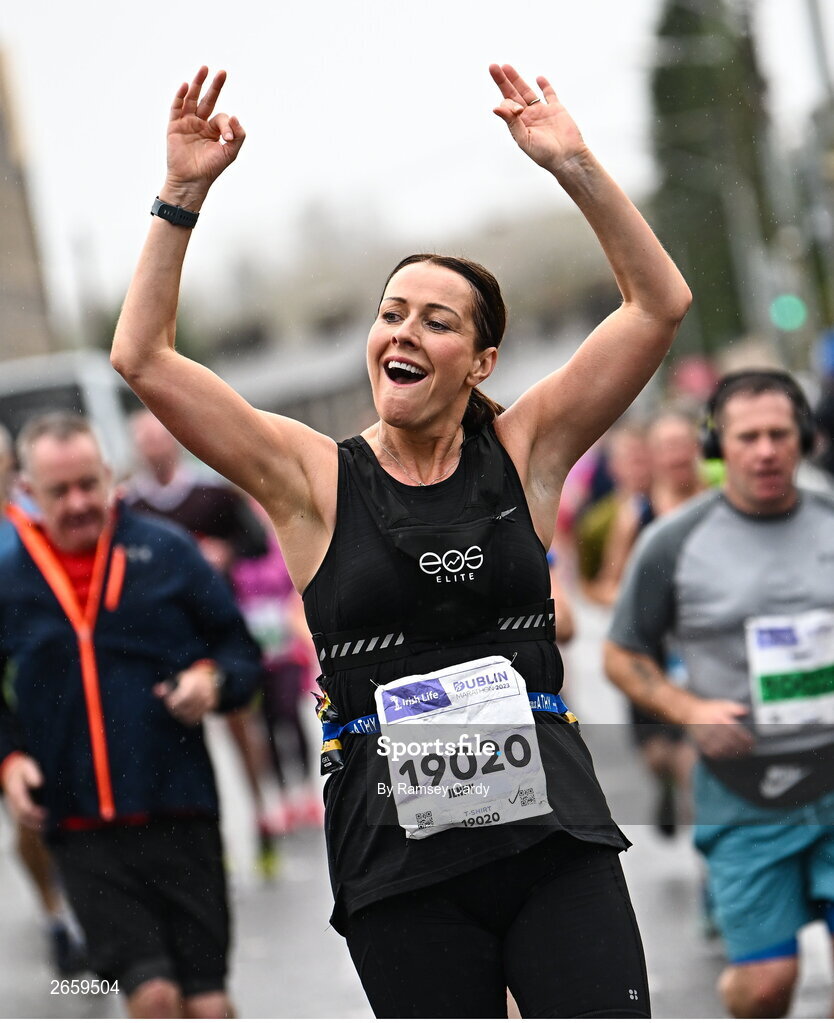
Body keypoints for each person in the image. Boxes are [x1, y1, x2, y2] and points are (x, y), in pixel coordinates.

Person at [110, 63, 691, 1018]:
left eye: (436, 320)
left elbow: (656, 305)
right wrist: (179, 196)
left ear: (481, 361)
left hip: (553, 835)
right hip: (399, 860)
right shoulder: (313, 478)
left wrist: (574, 164)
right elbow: (144, 358)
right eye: (390, 314)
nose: (402, 333)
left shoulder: (525, 449)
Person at [0, 412, 262, 1018]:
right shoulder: (11, 582)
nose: (77, 503)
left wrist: (211, 680)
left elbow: (240, 651)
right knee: (154, 996)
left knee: (210, 1003)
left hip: (181, 810)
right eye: (58, 492)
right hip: (81, 828)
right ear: (29, 494)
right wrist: (10, 762)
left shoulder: (166, 552)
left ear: (111, 476)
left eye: (88, 484)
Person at [605, 369, 834, 1018]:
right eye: (748, 436)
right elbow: (622, 654)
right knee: (766, 986)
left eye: (779, 434)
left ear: (805, 438)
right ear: (718, 446)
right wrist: (690, 710)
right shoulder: (672, 543)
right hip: (742, 790)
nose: (765, 450)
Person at [126, 409, 279, 874]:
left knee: (239, 724)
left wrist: (224, 551)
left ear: (173, 441)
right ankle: (207, 839)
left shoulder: (212, 493)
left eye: (160, 439)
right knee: (181, 738)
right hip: (165, 641)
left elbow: (257, 541)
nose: (155, 448)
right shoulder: (130, 508)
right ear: (137, 449)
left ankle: (260, 817)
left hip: (218, 627)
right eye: (145, 442)